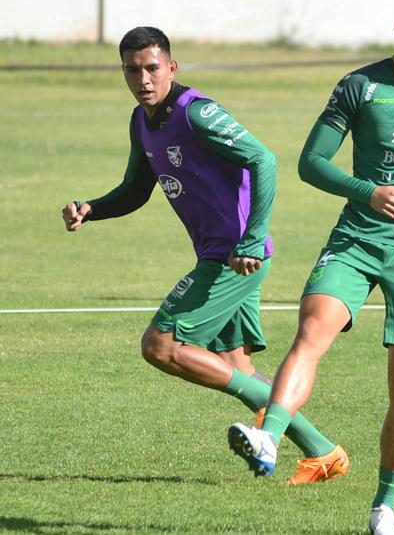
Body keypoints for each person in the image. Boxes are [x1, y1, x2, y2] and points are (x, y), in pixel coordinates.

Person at [224, 0, 394, 533]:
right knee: (312, 330)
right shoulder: (361, 86)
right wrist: (366, 191)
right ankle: (270, 439)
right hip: (356, 240)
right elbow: (310, 161)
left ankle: (383, 508)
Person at [62, 26, 345, 485]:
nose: (144, 78)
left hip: (235, 259)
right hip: (220, 255)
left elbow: (264, 160)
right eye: (133, 70)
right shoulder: (142, 120)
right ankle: (323, 452)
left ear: (171, 67)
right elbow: (136, 189)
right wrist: (91, 209)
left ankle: (297, 442)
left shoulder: (200, 114)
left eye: (152, 68)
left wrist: (252, 239)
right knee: (237, 367)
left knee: (161, 346)